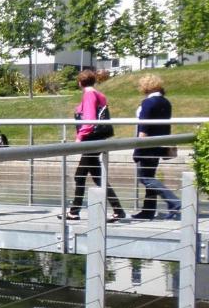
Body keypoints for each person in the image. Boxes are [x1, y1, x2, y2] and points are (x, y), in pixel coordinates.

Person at [64, 70, 126, 222]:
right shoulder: (99, 94)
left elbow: (90, 119)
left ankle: (74, 211)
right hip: (97, 138)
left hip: (91, 139)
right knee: (97, 176)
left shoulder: (89, 94)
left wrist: (80, 136)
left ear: (80, 82)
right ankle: (117, 210)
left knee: (80, 176)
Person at [132, 73, 180, 220]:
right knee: (150, 177)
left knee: (145, 178)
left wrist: (138, 147)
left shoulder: (148, 103)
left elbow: (143, 127)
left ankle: (175, 202)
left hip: (147, 146)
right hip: (158, 144)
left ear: (145, 86)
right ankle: (148, 211)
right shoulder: (166, 102)